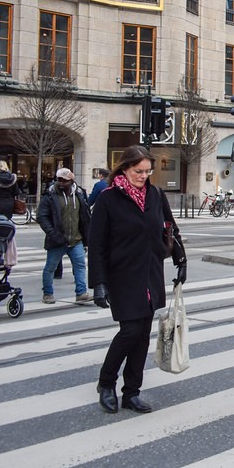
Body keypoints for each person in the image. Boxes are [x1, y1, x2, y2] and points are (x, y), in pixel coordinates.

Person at [88, 145, 187, 415]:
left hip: (150, 272)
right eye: (138, 171)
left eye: (147, 171)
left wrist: (181, 260)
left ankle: (131, 392)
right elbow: (96, 244)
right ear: (124, 168)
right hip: (122, 274)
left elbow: (170, 227)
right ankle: (106, 383)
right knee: (130, 331)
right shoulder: (108, 199)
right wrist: (98, 282)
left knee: (142, 335)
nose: (143, 176)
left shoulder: (155, 194)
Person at [36, 168, 93, 304]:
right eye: (59, 180)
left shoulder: (79, 194)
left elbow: (84, 215)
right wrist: (53, 234)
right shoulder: (50, 195)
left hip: (76, 238)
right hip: (58, 239)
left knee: (80, 266)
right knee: (50, 267)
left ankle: (81, 293)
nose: (61, 183)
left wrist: (86, 237)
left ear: (71, 181)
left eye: (65, 181)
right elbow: (42, 216)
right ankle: (48, 293)